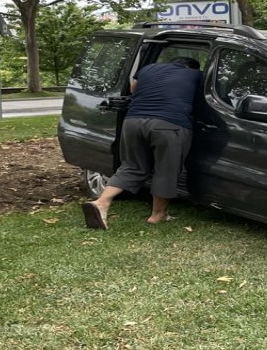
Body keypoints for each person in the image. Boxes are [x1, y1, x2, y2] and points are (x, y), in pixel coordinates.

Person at [82, 56, 203, 228]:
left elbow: (133, 89)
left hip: (133, 122)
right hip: (169, 124)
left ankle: (101, 202)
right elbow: (204, 100)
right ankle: (158, 214)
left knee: (131, 166)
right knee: (166, 169)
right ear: (191, 68)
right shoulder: (196, 75)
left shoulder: (149, 68)